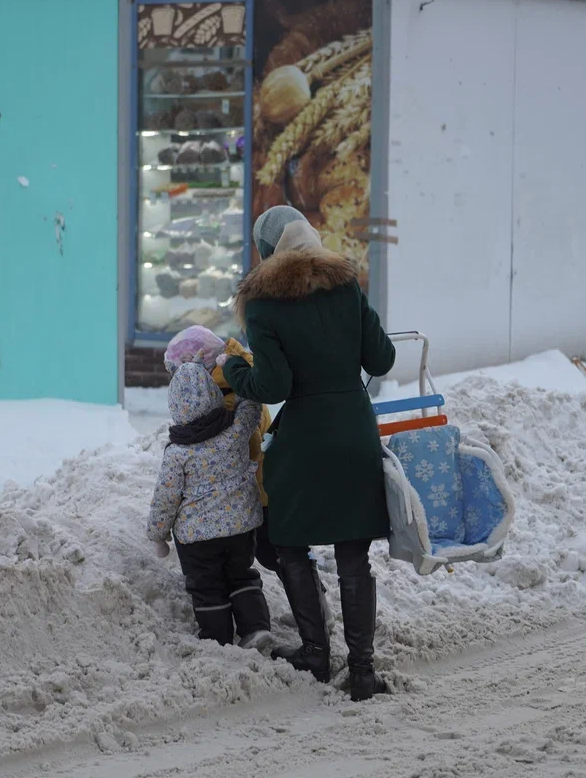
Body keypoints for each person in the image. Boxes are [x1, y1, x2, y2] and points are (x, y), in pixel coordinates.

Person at [219, 205, 396, 701]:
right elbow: (381, 358)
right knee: (353, 554)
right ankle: (361, 671)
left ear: (267, 252)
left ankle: (316, 655)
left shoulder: (262, 304)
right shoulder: (345, 285)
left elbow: (272, 385)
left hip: (304, 439)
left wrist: (235, 369)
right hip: (354, 431)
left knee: (291, 542)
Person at [163, 326, 335, 634]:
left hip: (255, 490)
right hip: (266, 481)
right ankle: (314, 609)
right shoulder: (241, 374)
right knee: (280, 553)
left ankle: (316, 613)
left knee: (275, 553)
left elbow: (224, 444)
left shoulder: (224, 401)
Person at [147, 362, 273, 650]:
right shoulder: (236, 431)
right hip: (240, 529)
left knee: (207, 588)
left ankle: (217, 639)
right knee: (242, 577)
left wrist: (158, 535)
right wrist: (232, 369)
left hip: (198, 540)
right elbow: (252, 407)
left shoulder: (177, 454)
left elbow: (165, 499)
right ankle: (255, 629)